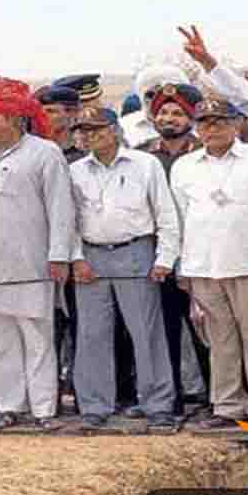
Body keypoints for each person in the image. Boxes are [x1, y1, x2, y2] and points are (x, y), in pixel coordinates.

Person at [170, 98, 248, 430]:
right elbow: (179, 220)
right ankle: (227, 406)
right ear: (196, 128)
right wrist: (182, 265)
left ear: (236, 123)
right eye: (204, 122)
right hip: (204, 266)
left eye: (219, 121)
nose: (211, 128)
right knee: (220, 341)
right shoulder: (185, 166)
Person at [0, 76, 75, 431]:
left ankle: (43, 409)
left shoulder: (45, 153)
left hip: (32, 260)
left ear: (10, 117)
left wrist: (60, 256)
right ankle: (10, 406)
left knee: (36, 336)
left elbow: (61, 209)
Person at [67, 105, 181, 433]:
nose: (89, 135)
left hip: (136, 249)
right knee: (91, 334)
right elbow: (69, 221)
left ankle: (158, 404)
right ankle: (94, 406)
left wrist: (164, 259)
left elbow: (165, 214)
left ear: (115, 130)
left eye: (97, 129)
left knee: (146, 331)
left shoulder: (145, 165)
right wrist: (76, 257)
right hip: (92, 254)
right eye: (84, 130)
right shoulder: (76, 171)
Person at [143, 84, 211, 414]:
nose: (169, 119)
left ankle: (216, 396)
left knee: (206, 330)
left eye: (177, 113)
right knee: (164, 328)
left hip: (201, 254)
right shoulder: (142, 156)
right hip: (159, 257)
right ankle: (171, 398)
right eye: (163, 112)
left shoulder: (204, 152)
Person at [36, 84, 90, 415]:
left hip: (82, 256)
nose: (47, 117)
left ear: (72, 114)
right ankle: (49, 395)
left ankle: (88, 395)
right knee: (48, 328)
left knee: (85, 328)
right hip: (43, 254)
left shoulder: (83, 158)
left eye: (54, 111)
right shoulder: (33, 152)